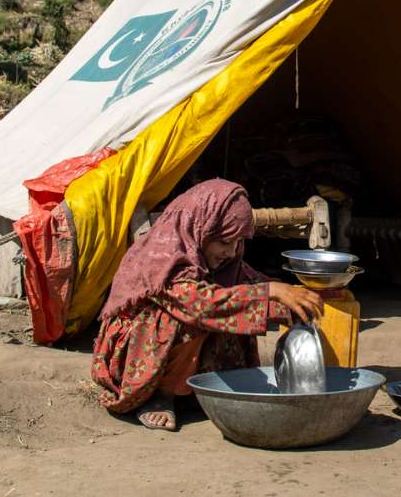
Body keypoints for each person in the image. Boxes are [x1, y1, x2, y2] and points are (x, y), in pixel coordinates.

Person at [92, 178, 322, 431]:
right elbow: (200, 305)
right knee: (189, 318)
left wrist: (294, 300)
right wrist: (269, 292)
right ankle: (160, 396)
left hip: (185, 338)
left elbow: (252, 283)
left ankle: (197, 389)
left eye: (238, 242)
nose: (231, 251)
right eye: (224, 241)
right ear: (202, 228)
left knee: (241, 301)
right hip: (136, 358)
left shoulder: (224, 260)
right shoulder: (162, 259)